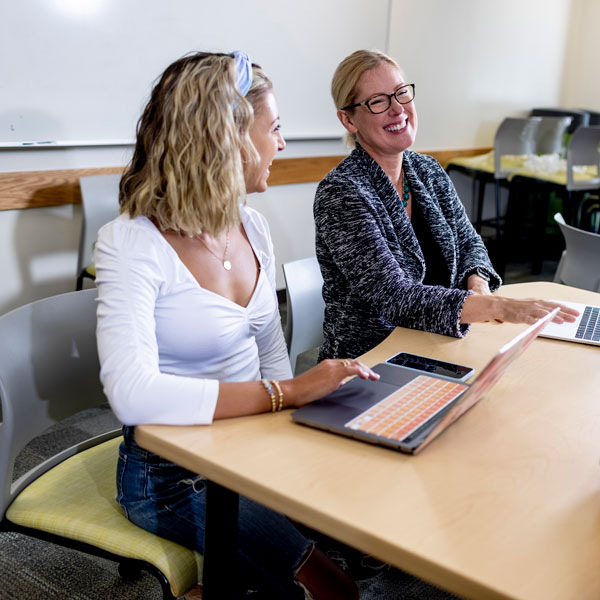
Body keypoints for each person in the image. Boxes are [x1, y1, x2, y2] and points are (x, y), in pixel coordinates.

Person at [94, 51, 378, 600]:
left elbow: (269, 349)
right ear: (227, 142)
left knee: (367, 531)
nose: (283, 144)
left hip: (246, 450)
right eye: (274, 129)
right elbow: (131, 396)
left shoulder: (251, 225)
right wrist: (288, 392)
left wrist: (296, 433)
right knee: (332, 589)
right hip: (172, 478)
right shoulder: (131, 242)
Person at [313, 49, 578, 360]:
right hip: (371, 362)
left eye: (401, 93)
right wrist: (497, 306)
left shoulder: (427, 171)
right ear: (348, 119)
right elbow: (395, 297)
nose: (398, 109)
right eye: (378, 101)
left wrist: (477, 279)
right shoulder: (341, 192)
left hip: (441, 346)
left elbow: (469, 242)